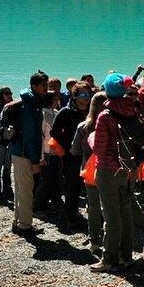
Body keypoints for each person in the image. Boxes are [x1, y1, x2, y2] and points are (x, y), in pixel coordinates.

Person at [90, 73, 138, 272]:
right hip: (129, 168)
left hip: (109, 169)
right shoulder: (133, 110)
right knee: (126, 211)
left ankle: (110, 259)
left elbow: (99, 149)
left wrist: (91, 138)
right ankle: (126, 255)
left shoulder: (105, 115)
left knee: (111, 215)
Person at [10, 71, 51, 237]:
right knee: (26, 190)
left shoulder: (31, 102)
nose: (45, 88)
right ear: (34, 86)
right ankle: (25, 226)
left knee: (20, 189)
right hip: (24, 153)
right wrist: (35, 161)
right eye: (43, 85)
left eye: (46, 85)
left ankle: (18, 221)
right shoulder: (30, 106)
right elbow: (30, 136)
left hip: (19, 152)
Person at [52, 81, 93, 229]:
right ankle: (71, 218)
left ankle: (93, 218)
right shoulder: (66, 111)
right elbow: (54, 133)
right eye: (82, 94)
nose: (86, 98)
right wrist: (67, 148)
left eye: (88, 94)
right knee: (72, 189)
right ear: (74, 96)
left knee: (89, 188)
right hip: (72, 158)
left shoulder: (92, 112)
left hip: (90, 157)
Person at [71, 90, 107, 255]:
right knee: (109, 204)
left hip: (89, 170)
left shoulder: (83, 126)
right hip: (108, 169)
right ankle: (110, 237)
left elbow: (74, 150)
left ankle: (94, 240)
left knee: (93, 206)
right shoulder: (111, 124)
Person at [33, 90, 63, 216]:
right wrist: (40, 156)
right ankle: (36, 206)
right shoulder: (43, 115)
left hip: (56, 151)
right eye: (55, 99)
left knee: (55, 179)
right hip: (46, 152)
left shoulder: (56, 113)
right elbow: (40, 136)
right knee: (45, 181)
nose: (57, 101)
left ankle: (50, 203)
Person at [0, 86, 14, 199]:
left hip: (10, 139)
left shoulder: (13, 106)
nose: (9, 95)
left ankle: (7, 188)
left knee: (8, 165)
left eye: (10, 93)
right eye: (6, 93)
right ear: (1, 95)